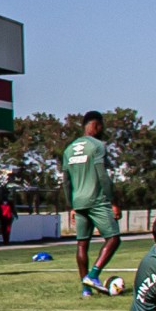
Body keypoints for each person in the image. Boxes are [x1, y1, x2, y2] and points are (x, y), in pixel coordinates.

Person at [61, 112, 121, 296]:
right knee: (113, 239)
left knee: (82, 244)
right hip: (97, 200)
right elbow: (102, 175)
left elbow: (66, 182)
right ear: (96, 125)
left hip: (78, 202)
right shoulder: (97, 146)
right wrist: (113, 201)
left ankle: (86, 290)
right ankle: (93, 274)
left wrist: (70, 205)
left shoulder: (69, 149)